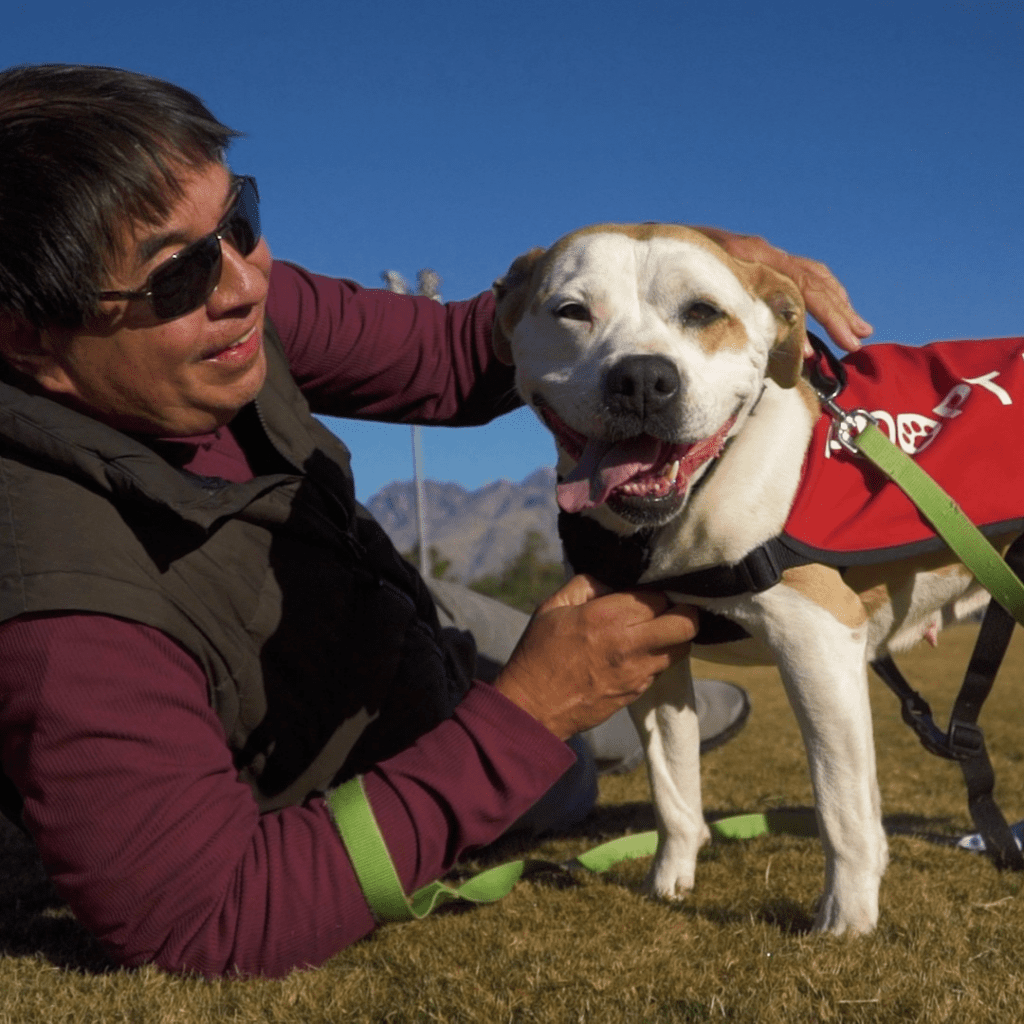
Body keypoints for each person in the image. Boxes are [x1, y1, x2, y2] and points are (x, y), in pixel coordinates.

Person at [0, 64, 872, 978]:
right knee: (564, 768)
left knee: (547, 658)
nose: (245, 285)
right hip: (374, 741)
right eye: (178, 274)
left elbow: (460, 350)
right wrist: (529, 714)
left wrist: (686, 265)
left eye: (240, 221)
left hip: (400, 613)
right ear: (27, 337)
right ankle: (597, 738)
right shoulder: (55, 610)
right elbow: (206, 921)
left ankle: (652, 714)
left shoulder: (223, 306)